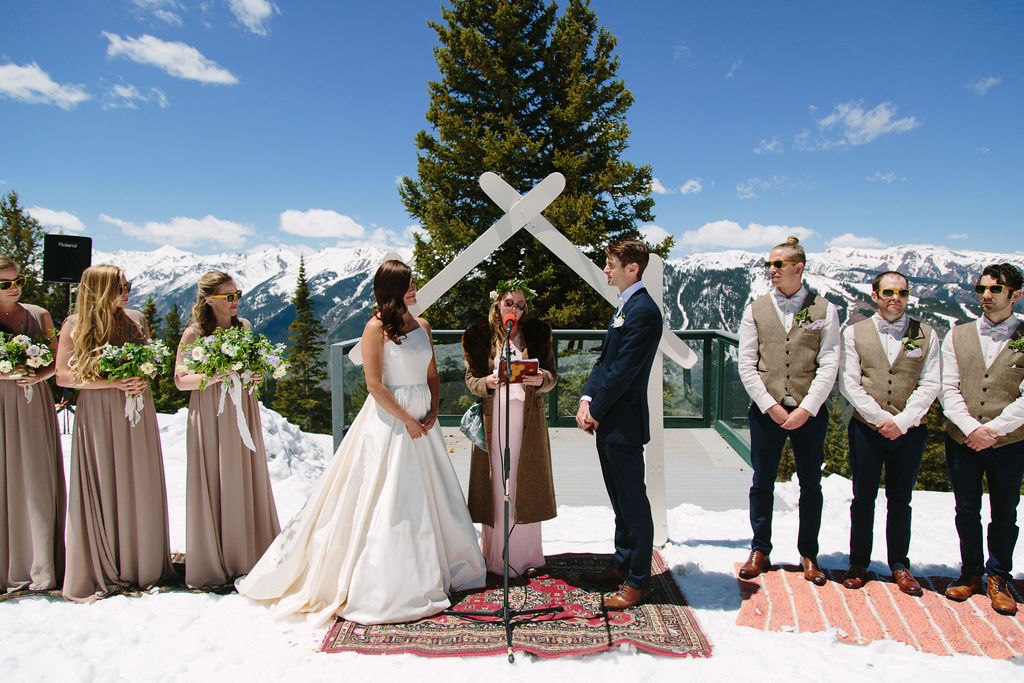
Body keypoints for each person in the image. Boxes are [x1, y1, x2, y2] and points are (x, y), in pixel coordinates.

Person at [237, 260, 486, 625]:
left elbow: (431, 373)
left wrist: (434, 409)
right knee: (393, 497)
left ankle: (447, 564)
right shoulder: (374, 329)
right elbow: (375, 385)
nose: (416, 288)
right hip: (391, 422)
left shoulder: (423, 326)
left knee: (434, 494)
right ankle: (390, 581)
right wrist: (407, 421)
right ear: (394, 290)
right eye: (410, 284)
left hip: (423, 420)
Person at [56, 265, 173, 602]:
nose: (127, 292)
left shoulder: (136, 318)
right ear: (98, 290)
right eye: (120, 287)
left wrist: (142, 377)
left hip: (137, 408)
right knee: (104, 478)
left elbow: (149, 360)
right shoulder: (74, 325)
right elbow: (63, 377)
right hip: (99, 411)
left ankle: (143, 562)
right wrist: (113, 382)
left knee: (140, 478)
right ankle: (102, 563)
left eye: (128, 285)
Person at [736, 236, 840, 585]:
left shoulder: (825, 309)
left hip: (809, 413)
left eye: (778, 264)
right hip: (766, 412)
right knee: (761, 481)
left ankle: (809, 553)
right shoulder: (756, 308)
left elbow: (829, 363)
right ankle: (760, 549)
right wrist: (770, 407)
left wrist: (807, 409)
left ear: (799, 268)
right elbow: (747, 364)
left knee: (810, 484)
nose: (772, 270)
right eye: (769, 264)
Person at [174, 272, 280, 588]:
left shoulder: (244, 327)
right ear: (209, 300)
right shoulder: (194, 333)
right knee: (216, 475)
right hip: (209, 412)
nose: (235, 302)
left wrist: (255, 375)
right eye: (228, 297)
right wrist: (216, 375)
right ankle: (217, 558)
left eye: (238, 295)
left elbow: (248, 366)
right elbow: (180, 380)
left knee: (243, 475)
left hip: (242, 409)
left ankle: (249, 554)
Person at [838, 271, 939, 595]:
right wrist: (881, 418)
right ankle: (858, 563)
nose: (895, 298)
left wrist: (905, 420)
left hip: (910, 432)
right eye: (888, 292)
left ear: (908, 296)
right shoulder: (855, 333)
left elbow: (931, 383)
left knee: (901, 499)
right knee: (862, 498)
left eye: (902, 293)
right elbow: (850, 383)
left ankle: (899, 564)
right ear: (875, 294)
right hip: (867, 429)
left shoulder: (927, 334)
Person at [575, 238, 663, 609]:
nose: (606, 270)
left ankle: (639, 580)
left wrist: (597, 408)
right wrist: (586, 398)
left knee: (633, 502)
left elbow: (624, 371)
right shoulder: (625, 306)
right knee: (619, 500)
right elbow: (604, 361)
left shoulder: (643, 311)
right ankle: (622, 563)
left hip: (623, 422)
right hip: (609, 419)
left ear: (633, 268)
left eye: (612, 264)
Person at [939, 262, 1024, 616]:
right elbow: (947, 387)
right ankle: (971, 571)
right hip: (962, 438)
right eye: (981, 289)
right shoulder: (957, 334)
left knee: (1004, 512)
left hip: (1009, 442)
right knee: (966, 510)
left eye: (995, 290)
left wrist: (995, 429)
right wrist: (971, 428)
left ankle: (999, 575)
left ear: (1015, 295)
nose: (986, 296)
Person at [463, 279, 557, 578]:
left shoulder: (538, 334)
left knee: (523, 483)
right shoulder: (478, 336)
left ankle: (527, 556)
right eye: (509, 303)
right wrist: (486, 383)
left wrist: (541, 378)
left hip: (527, 421)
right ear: (497, 305)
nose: (514, 309)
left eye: (520, 304)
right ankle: (495, 558)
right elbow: (470, 380)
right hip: (495, 420)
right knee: (497, 484)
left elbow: (554, 377)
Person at [0, 256, 65, 593]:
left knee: (37, 477)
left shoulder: (40, 315)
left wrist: (37, 375)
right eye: (5, 283)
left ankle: (41, 562)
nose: (15, 288)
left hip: (33, 401)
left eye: (18, 280)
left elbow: (58, 359)